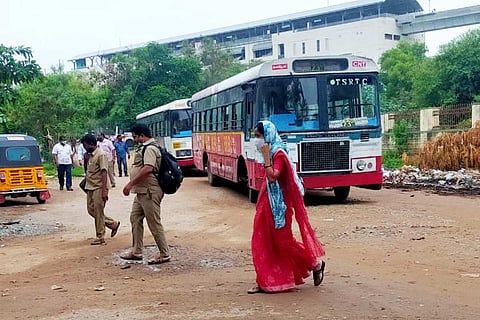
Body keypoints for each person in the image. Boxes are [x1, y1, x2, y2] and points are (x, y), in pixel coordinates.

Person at [248, 120, 326, 294]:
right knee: (262, 241)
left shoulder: (279, 153)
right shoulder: (270, 152)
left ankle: (315, 263)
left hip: (279, 207)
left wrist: (267, 157)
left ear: (267, 135)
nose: (257, 140)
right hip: (266, 204)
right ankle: (265, 281)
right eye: (256, 137)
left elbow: (273, 177)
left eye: (259, 136)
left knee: (283, 243)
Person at [120, 123, 170, 265]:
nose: (134, 139)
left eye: (135, 136)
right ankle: (136, 251)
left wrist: (130, 184)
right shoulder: (144, 147)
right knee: (135, 218)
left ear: (142, 135)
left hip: (150, 191)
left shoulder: (150, 149)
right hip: (142, 191)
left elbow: (148, 168)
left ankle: (164, 253)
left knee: (154, 223)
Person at [81, 134, 120, 245]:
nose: (84, 147)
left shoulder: (100, 155)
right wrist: (85, 160)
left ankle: (100, 236)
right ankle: (113, 224)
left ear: (90, 144)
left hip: (99, 187)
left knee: (98, 211)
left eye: (85, 145)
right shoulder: (89, 156)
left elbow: (104, 172)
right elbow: (87, 171)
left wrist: (104, 191)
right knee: (91, 210)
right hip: (90, 186)